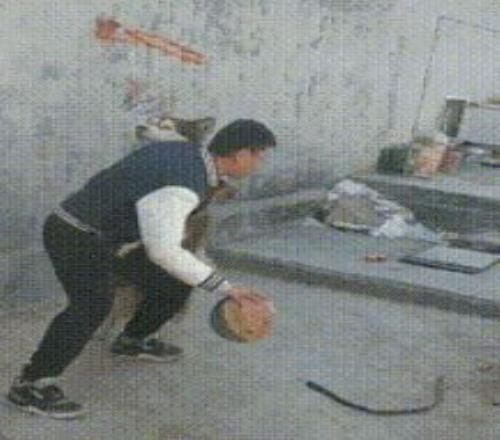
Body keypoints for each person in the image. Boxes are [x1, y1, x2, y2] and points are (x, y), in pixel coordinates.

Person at [7, 119, 277, 419]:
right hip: (75, 234)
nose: (259, 165)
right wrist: (226, 288)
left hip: (110, 240)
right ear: (240, 154)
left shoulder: (186, 152)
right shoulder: (183, 185)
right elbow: (163, 251)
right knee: (92, 305)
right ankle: (30, 385)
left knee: (177, 280)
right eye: (259, 157)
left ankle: (132, 340)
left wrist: (208, 276)